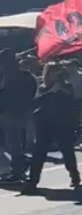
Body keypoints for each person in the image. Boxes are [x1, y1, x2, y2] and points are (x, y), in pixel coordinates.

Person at [21, 64, 81, 194]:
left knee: (67, 151)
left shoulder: (67, 87)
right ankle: (32, 182)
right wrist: (50, 92)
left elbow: (71, 102)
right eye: (53, 72)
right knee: (38, 153)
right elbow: (36, 102)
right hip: (45, 124)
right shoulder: (43, 88)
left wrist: (61, 90)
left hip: (62, 124)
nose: (56, 75)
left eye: (58, 72)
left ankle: (75, 176)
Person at [0, 48, 38, 182]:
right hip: (9, 111)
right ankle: (21, 161)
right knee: (9, 142)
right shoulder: (10, 75)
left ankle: (17, 171)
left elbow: (29, 91)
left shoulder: (16, 76)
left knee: (13, 142)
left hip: (13, 111)